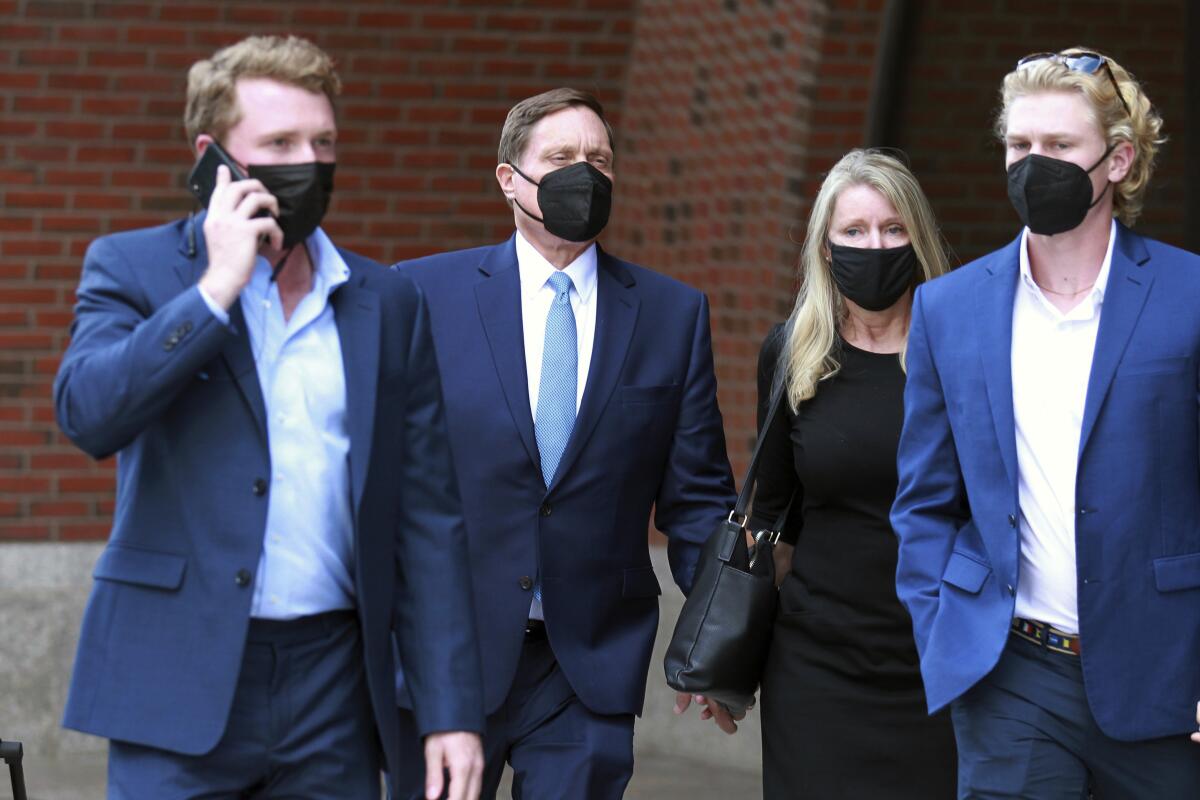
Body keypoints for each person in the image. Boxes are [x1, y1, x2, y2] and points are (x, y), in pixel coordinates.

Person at [53, 35, 484, 799]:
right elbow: (90, 414)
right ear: (213, 157)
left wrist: (451, 711)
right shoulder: (133, 268)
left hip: (334, 689)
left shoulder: (386, 302)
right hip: (177, 677)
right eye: (280, 142)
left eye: (323, 142)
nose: (309, 163)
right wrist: (216, 290)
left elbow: (428, 519)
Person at [391, 87, 737, 798]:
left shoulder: (671, 315)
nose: (585, 172)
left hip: (588, 663)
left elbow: (699, 499)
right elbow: (379, 479)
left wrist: (719, 644)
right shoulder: (421, 295)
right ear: (508, 178)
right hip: (446, 657)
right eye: (561, 157)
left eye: (599, 159)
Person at [891, 48, 1200, 797]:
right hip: (1012, 675)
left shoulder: (1189, 296)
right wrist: (947, 633)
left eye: (1060, 147)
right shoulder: (949, 308)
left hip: (1166, 679)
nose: (1035, 164)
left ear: (1118, 161)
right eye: (1020, 146)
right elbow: (924, 498)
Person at [747, 149, 956, 798]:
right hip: (817, 665)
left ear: (918, 241)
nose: (876, 246)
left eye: (894, 230)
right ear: (827, 248)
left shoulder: (958, 352)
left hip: (938, 662)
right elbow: (774, 517)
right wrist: (733, 661)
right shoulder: (794, 354)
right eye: (856, 232)